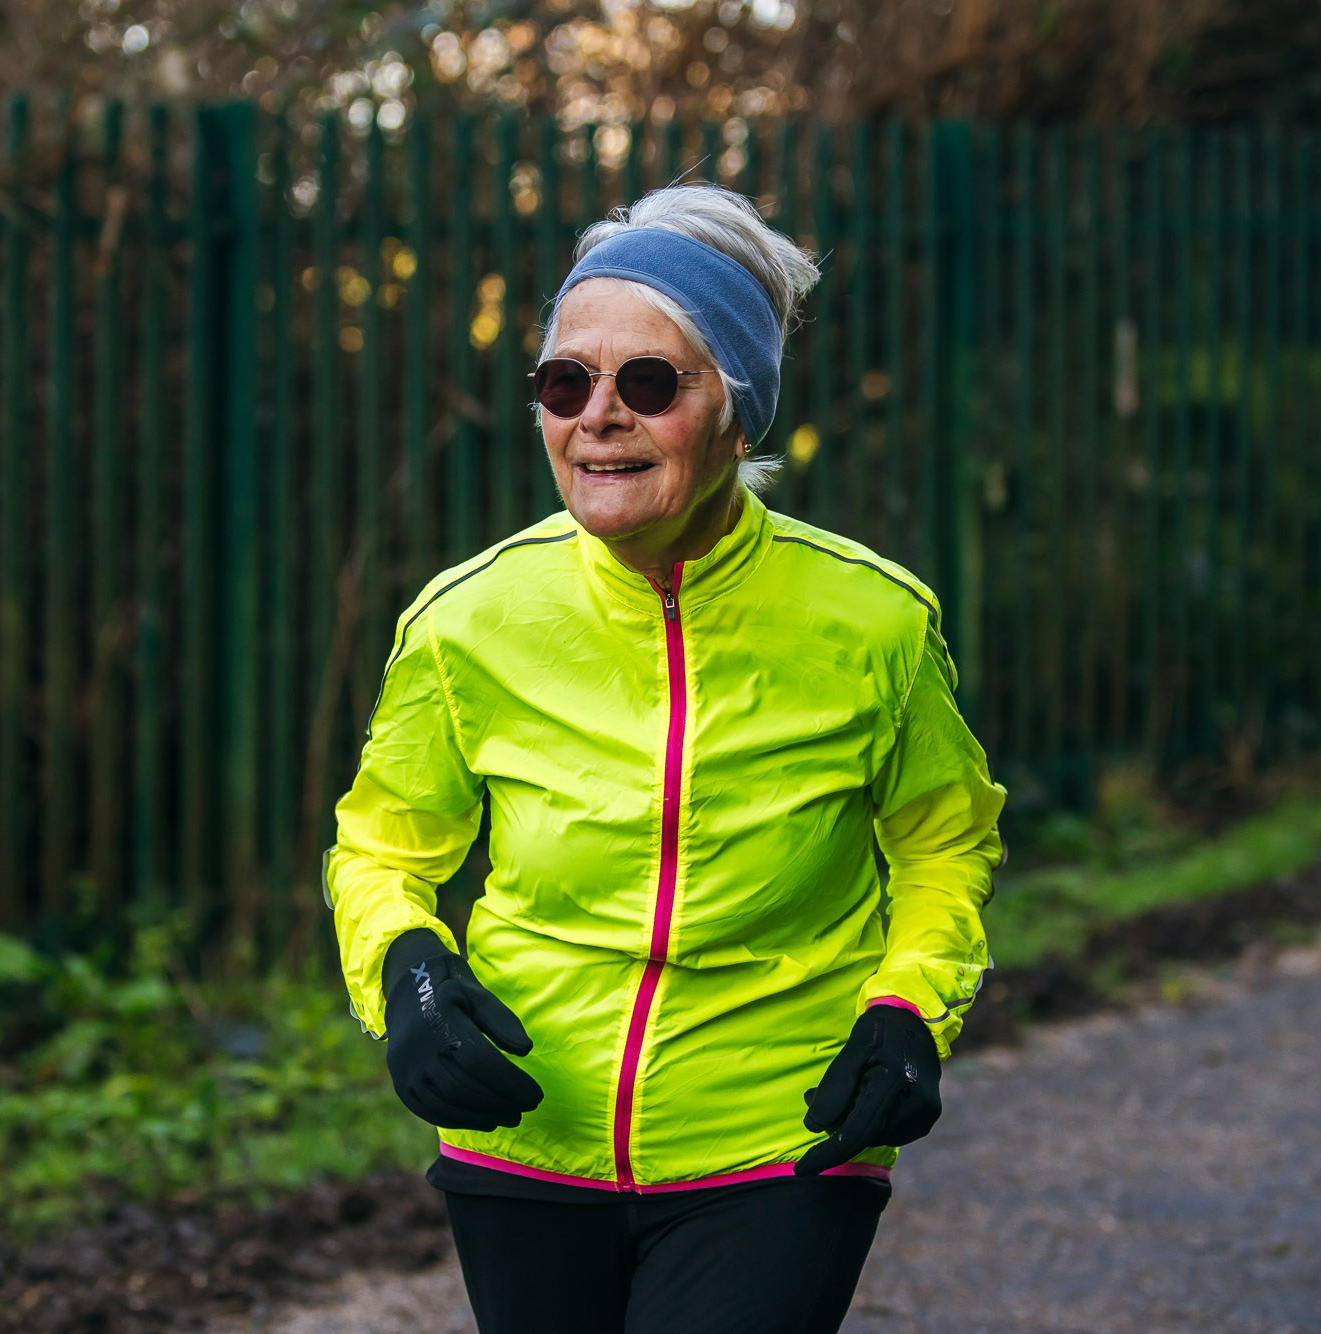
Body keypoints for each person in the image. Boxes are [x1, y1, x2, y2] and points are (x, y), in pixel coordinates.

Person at [324, 182, 1005, 1333]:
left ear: (738, 415)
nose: (597, 416)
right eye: (564, 382)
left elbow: (942, 842)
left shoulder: (874, 621)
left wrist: (907, 1010)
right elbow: (380, 847)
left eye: (647, 382)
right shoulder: (466, 619)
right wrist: (406, 971)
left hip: (780, 1136)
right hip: (525, 1129)